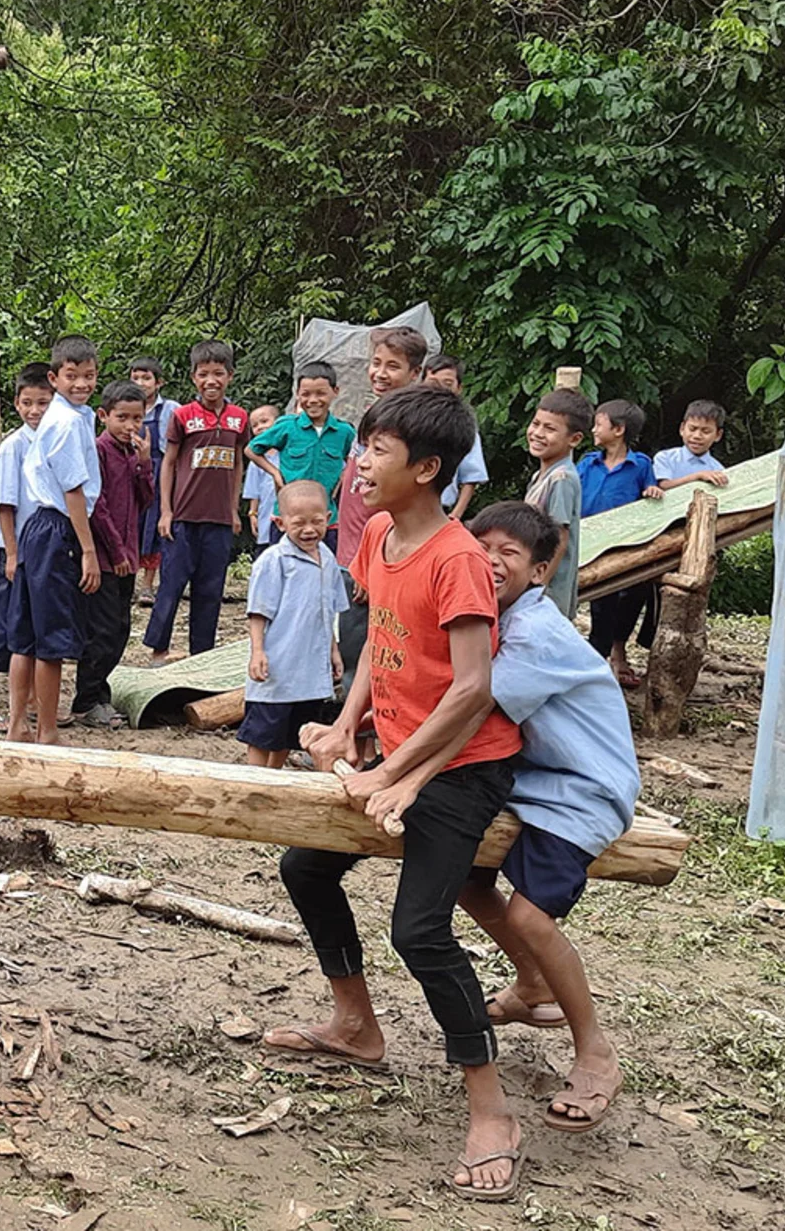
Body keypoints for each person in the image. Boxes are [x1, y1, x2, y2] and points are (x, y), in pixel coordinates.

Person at [274, 381, 526, 1201]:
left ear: (426, 467)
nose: (359, 463)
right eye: (362, 447)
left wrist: (395, 772)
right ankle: (355, 1024)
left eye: (376, 450)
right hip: (397, 751)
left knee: (420, 930)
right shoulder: (378, 533)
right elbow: (379, 644)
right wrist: (350, 729)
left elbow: (472, 690)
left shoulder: (457, 558)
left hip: (465, 764)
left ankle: (490, 1109)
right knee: (305, 869)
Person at [454, 500, 635, 1135]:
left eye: (510, 553)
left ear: (539, 571)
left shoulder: (536, 634)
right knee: (464, 878)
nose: (492, 561)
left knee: (530, 915)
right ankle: (531, 986)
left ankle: (595, 1052)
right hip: (528, 784)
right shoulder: (491, 621)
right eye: (483, 548)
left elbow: (470, 709)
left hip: (581, 791)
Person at [7, 336, 102, 747]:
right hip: (57, 529)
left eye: (88, 375)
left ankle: (19, 725)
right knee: (49, 636)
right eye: (71, 376)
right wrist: (88, 550)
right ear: (54, 377)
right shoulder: (64, 422)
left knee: (29, 632)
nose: (80, 383)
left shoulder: (75, 416)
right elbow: (73, 491)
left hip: (40, 529)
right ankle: (45, 729)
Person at [145, 339, 250, 665]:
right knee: (171, 585)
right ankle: (158, 649)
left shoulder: (239, 418)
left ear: (229, 376)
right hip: (183, 518)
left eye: (218, 373)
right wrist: (166, 511)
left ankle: (200, 656)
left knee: (210, 589)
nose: (211, 381)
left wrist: (234, 510)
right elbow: (169, 463)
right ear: (194, 377)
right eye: (204, 374)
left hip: (218, 519)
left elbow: (237, 463)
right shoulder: (183, 416)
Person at [334, 327, 426, 683]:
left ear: (414, 373)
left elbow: (403, 501)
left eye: (392, 366)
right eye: (375, 363)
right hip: (351, 546)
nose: (380, 373)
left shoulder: (408, 423)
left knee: (369, 646)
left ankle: (364, 731)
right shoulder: (377, 411)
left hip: (372, 554)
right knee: (352, 636)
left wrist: (371, 561)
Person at [0, 365, 54, 738]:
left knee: (32, 627)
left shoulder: (55, 440)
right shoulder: (13, 446)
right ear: (16, 404)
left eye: (43, 403)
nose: (35, 410)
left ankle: (32, 698)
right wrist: (12, 553)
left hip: (43, 550)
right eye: (28, 403)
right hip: (11, 548)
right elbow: (5, 504)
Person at [240, 480, 345, 768]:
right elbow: (258, 612)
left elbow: (330, 610)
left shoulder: (328, 558)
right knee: (263, 731)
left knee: (294, 732)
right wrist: (258, 651)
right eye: (299, 523)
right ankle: (255, 780)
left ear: (329, 518)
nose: (309, 530)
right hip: (278, 664)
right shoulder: (274, 561)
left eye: (317, 521)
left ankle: (276, 776)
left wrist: (334, 652)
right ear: (280, 522)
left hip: (310, 668)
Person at [72, 380, 153, 729]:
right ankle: (86, 700)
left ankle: (100, 694)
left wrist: (144, 464)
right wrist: (117, 551)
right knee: (102, 629)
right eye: (122, 417)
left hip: (128, 556)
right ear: (104, 416)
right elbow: (96, 506)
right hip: (105, 558)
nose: (130, 426)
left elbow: (146, 501)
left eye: (137, 418)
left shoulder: (131, 454)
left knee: (120, 628)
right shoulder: (99, 450)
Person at [578, 398, 659, 686]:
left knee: (606, 606)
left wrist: (652, 490)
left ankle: (597, 665)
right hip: (585, 542)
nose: (593, 430)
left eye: (598, 424)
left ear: (618, 430)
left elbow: (650, 489)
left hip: (619, 548)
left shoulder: (641, 465)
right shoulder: (587, 463)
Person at [246, 362, 353, 550]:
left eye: (320, 393)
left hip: (326, 519)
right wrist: (275, 473)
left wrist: (345, 475)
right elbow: (252, 450)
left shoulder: (344, 432)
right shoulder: (287, 426)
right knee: (284, 572)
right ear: (298, 394)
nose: (313, 400)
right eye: (306, 394)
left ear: (335, 391)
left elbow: (355, 458)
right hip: (288, 518)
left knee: (323, 572)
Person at [524, 388, 590, 617]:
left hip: (547, 593)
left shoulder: (561, 479)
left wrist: (536, 585)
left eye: (550, 428)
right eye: (536, 424)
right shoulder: (540, 477)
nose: (538, 433)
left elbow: (559, 540)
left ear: (574, 439)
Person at [128, 356, 170, 606]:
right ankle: (128, 581)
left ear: (158, 382)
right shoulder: (124, 405)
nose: (141, 383)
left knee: (152, 528)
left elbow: (170, 450)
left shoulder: (168, 410)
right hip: (128, 472)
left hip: (157, 473)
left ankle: (147, 586)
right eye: (136, 378)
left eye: (146, 378)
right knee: (131, 524)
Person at [425, 355, 488, 520]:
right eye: (432, 382)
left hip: (442, 511)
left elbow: (471, 477)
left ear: (459, 388)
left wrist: (456, 515)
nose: (438, 389)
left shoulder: (463, 427)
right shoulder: (408, 420)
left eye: (447, 383)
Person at [654, 399, 729, 492]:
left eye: (706, 431)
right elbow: (663, 486)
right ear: (682, 429)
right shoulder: (665, 458)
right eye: (692, 429)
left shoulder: (718, 471)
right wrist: (698, 476)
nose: (697, 436)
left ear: (718, 435)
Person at [240, 404, 281, 551]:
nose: (259, 427)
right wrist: (252, 513)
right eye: (254, 425)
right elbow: (254, 491)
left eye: (264, 421)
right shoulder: (256, 460)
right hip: (265, 514)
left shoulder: (288, 453)